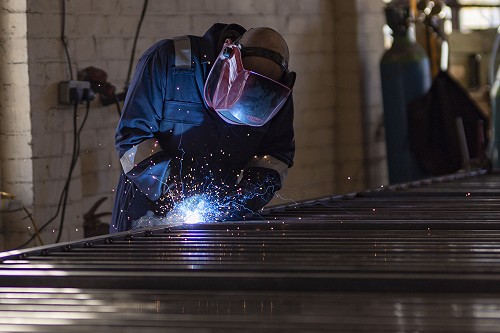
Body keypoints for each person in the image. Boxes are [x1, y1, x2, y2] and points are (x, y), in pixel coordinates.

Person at [110, 23, 296, 232]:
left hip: (218, 223)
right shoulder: (168, 61)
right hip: (143, 217)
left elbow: (275, 156)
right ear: (227, 57)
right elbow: (132, 139)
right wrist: (172, 186)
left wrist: (244, 200)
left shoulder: (275, 94)